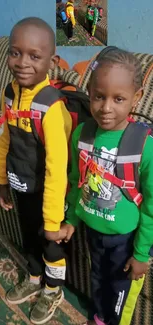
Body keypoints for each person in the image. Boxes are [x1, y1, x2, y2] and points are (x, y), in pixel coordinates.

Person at [60, 47, 153, 325]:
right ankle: (99, 317)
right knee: (97, 280)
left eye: (119, 98)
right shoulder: (82, 134)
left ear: (136, 98)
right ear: (89, 93)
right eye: (99, 96)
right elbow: (77, 183)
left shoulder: (145, 145)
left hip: (126, 241)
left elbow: (151, 205)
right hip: (93, 231)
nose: (106, 107)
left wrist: (140, 255)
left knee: (120, 292)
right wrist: (71, 220)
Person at [0, 17, 72, 325]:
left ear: (51, 61)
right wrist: (1, 181)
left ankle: (53, 289)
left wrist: (53, 220)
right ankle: (33, 276)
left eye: (34, 55)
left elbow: (57, 168)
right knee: (29, 237)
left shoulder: (50, 107)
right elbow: (5, 138)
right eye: (15, 53)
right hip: (22, 184)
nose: (22, 63)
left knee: (48, 244)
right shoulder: (10, 93)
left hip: (49, 193)